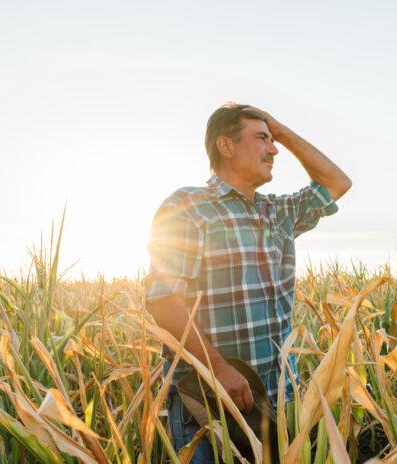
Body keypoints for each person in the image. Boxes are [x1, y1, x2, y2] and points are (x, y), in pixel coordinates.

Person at [144, 103, 352, 463]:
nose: (273, 150)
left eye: (273, 142)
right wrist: (218, 369)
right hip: (208, 405)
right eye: (261, 139)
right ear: (226, 146)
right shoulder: (189, 206)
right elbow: (163, 298)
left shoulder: (277, 212)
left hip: (275, 402)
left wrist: (280, 131)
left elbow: (337, 182)